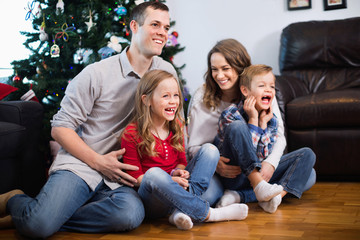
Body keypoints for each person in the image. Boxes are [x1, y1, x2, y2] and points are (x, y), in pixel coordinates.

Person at [0, 2, 178, 238]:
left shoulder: (166, 72)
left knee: (130, 215)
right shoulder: (97, 73)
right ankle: (18, 200)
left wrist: (175, 168)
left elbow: (174, 126)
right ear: (134, 26)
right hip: (82, 165)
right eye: (155, 24)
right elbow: (60, 127)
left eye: (166, 27)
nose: (163, 33)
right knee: (38, 227)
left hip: (123, 176)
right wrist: (98, 161)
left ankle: (45, 213)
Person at [186, 38, 316, 213]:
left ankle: (243, 195)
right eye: (214, 69)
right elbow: (192, 146)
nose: (219, 75)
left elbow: (279, 136)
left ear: (240, 69)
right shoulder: (204, 97)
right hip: (224, 169)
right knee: (208, 197)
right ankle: (256, 188)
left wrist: (270, 164)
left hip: (256, 165)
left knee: (309, 174)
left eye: (225, 69)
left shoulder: (261, 90)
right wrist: (215, 162)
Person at [120, 69, 249, 231]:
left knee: (210, 150)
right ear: (146, 100)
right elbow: (135, 178)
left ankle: (180, 211)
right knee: (154, 174)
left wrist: (178, 173)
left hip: (181, 189)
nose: (173, 101)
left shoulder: (177, 125)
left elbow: (181, 162)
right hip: (154, 199)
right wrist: (170, 181)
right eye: (165, 96)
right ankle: (209, 214)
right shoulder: (131, 133)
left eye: (176, 95)